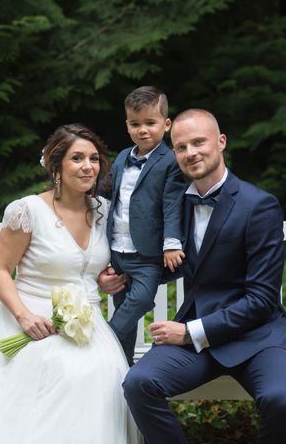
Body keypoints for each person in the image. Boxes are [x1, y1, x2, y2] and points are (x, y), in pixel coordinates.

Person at [0, 124, 140, 444]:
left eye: (93, 158)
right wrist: (24, 316)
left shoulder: (104, 210)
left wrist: (103, 278)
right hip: (29, 319)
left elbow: (87, 266)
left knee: (102, 375)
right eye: (77, 158)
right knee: (60, 371)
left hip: (87, 324)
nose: (88, 166)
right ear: (56, 165)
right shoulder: (27, 211)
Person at [102, 109, 286, 444]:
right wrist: (120, 276)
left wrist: (189, 331)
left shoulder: (259, 205)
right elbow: (168, 262)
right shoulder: (177, 204)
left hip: (256, 338)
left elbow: (263, 300)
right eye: (181, 147)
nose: (190, 152)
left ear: (220, 142)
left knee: (282, 400)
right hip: (197, 344)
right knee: (138, 384)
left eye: (198, 142)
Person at [104, 86, 186, 366]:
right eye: (135, 124)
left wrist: (172, 242)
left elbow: (172, 204)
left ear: (166, 124)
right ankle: (119, 366)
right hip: (118, 248)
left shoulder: (170, 162)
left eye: (150, 123)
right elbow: (109, 195)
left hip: (147, 254)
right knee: (122, 304)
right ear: (127, 125)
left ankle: (103, 340)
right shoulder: (121, 157)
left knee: (139, 300)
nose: (143, 130)